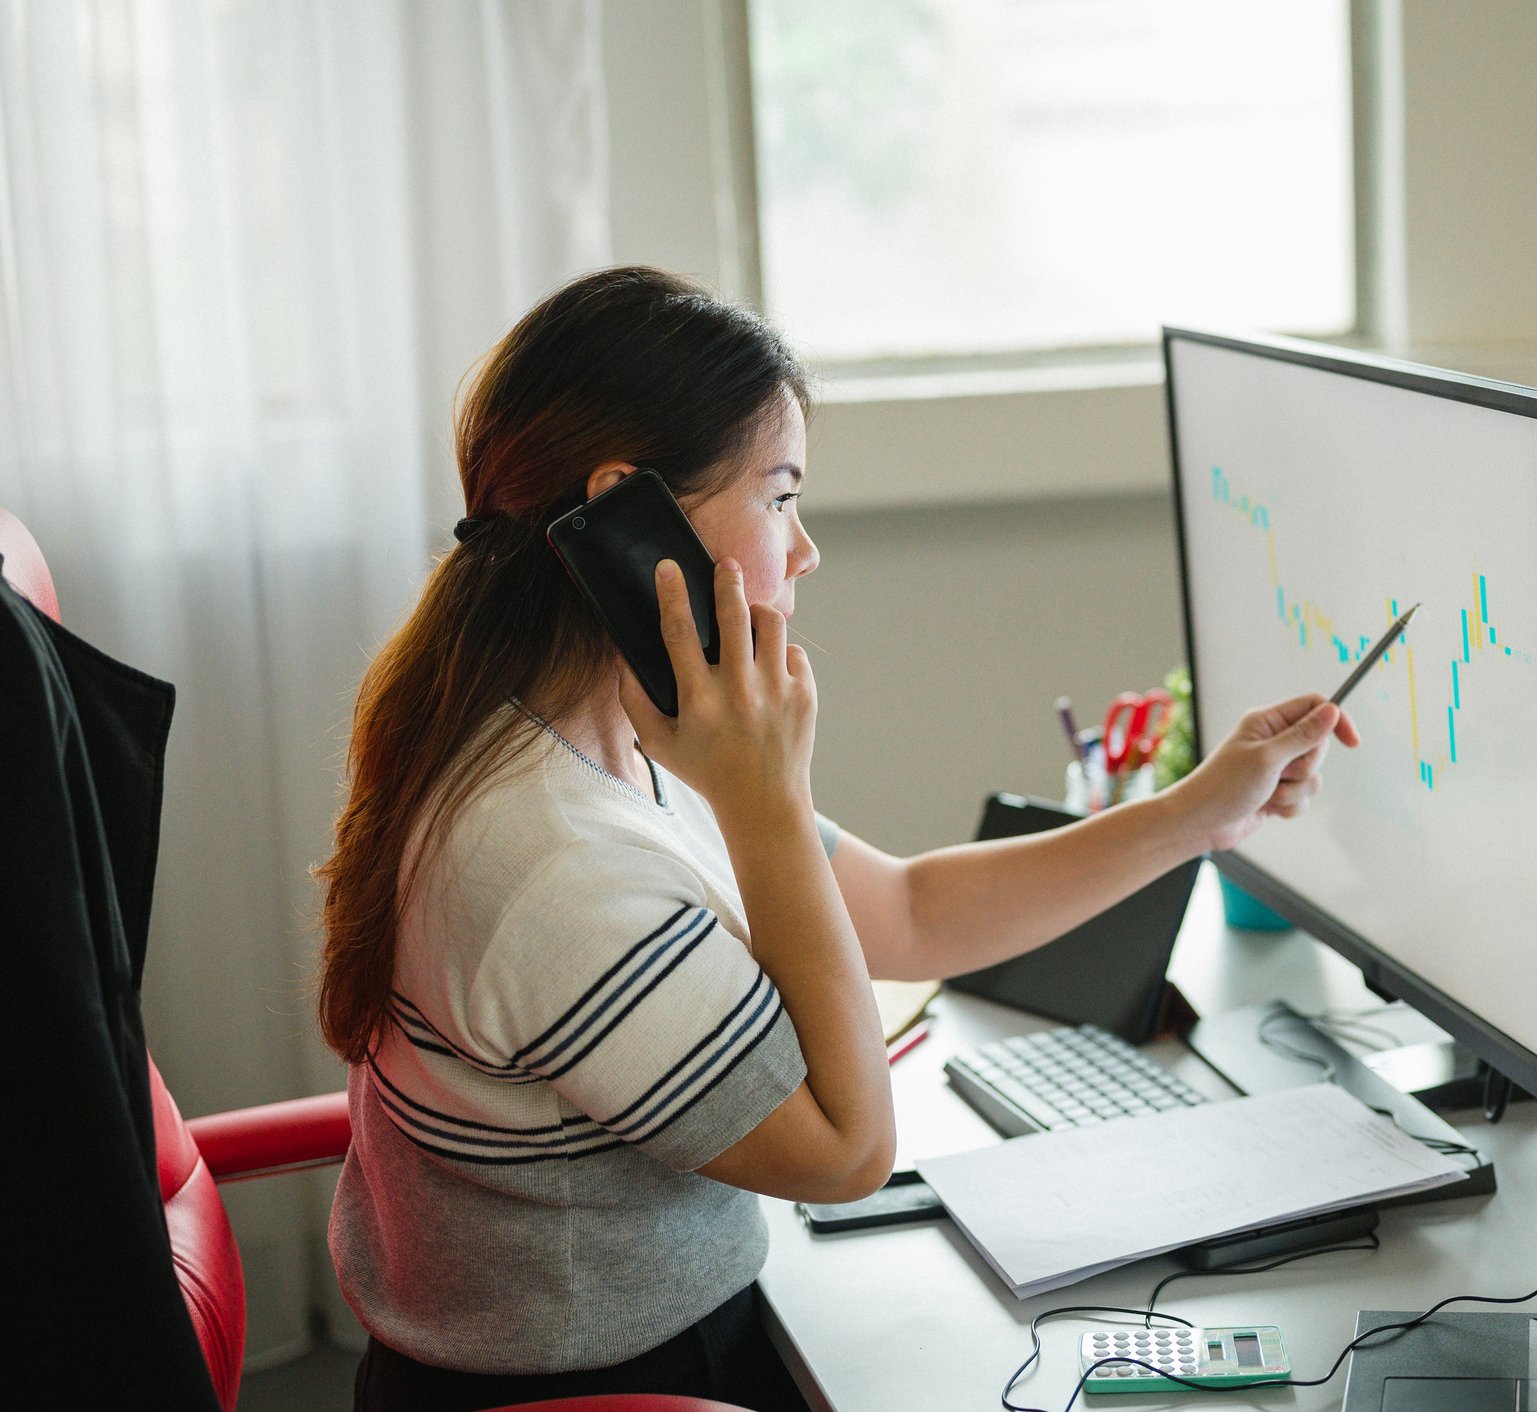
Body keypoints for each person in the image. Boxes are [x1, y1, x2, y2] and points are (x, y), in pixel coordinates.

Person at [315, 266, 1362, 1411]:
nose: (804, 548)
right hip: (612, 1388)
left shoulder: (608, 735)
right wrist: (765, 799)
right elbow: (847, 1152)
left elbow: (909, 910)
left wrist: (1197, 811)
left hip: (667, 1344)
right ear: (628, 513)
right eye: (777, 496)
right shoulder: (552, 864)